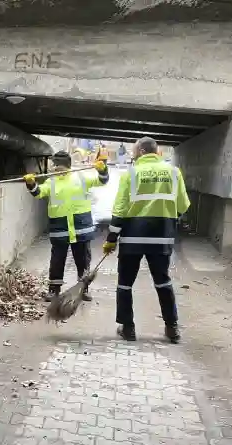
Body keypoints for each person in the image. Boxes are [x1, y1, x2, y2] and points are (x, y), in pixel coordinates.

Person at [102, 137, 190, 343]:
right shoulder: (174, 173)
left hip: (133, 238)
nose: (132, 154)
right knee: (163, 282)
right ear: (156, 152)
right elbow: (183, 206)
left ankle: (128, 328)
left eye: (134, 150)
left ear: (141, 151)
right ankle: (172, 328)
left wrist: (111, 239)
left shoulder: (130, 174)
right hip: (162, 238)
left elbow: (120, 210)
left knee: (125, 283)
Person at [24, 150, 109, 302]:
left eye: (58, 166)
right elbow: (38, 193)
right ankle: (53, 290)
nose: (56, 169)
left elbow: (102, 181)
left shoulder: (81, 177)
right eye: (55, 166)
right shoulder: (51, 182)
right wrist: (31, 184)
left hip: (80, 227)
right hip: (60, 228)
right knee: (57, 260)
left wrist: (102, 170)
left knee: (83, 260)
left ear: (66, 166)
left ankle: (83, 289)